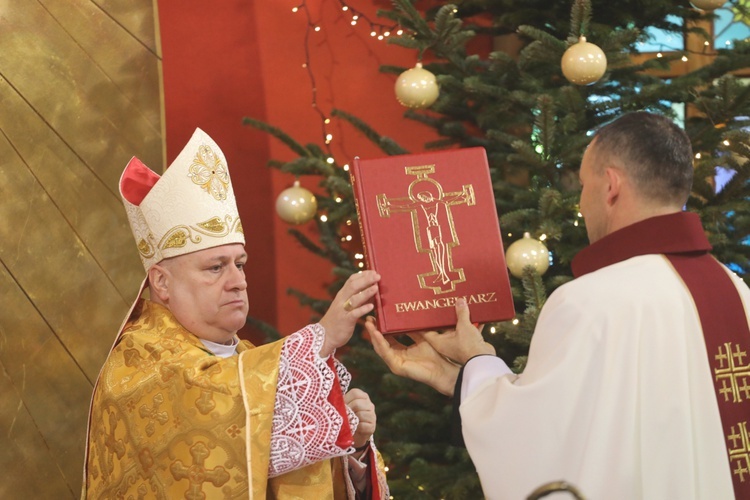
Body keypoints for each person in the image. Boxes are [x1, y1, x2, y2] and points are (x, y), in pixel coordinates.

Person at [366, 111, 750, 499]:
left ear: (611, 185)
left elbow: (538, 445)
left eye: (584, 185)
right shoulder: (735, 291)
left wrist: (478, 363)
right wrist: (460, 379)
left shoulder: (591, 301)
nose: (581, 203)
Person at [83, 128, 389, 499]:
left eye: (240, 264)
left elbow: (274, 452)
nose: (238, 282)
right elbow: (218, 442)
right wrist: (322, 337)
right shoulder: (140, 365)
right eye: (215, 268)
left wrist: (351, 446)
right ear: (161, 283)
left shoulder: (246, 363)